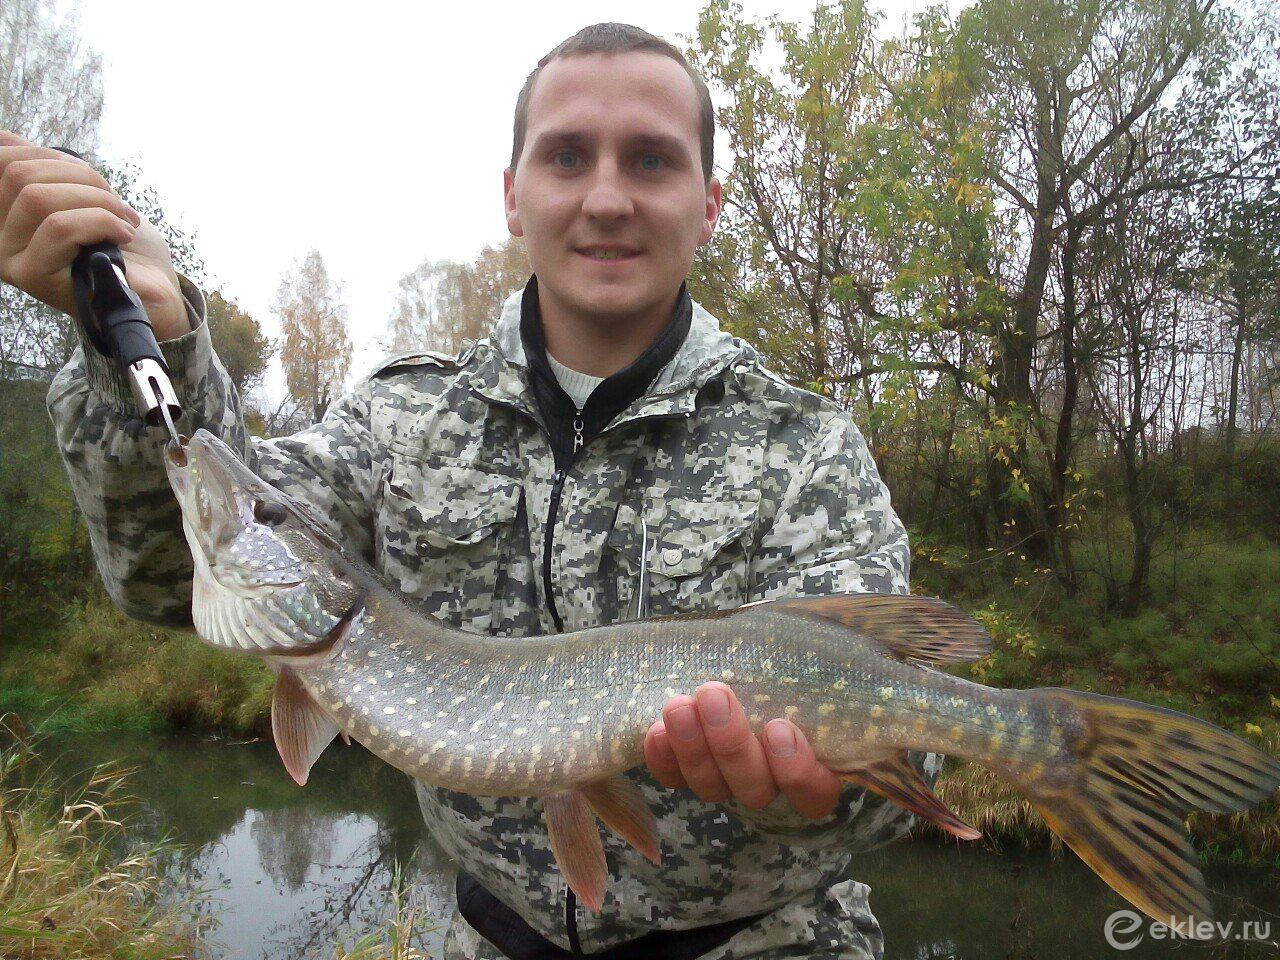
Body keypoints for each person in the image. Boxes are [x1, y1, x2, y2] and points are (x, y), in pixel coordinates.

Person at [0, 22, 937, 960]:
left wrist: (823, 794)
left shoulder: (806, 448)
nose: (606, 197)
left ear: (708, 205)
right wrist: (145, 347)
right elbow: (170, 575)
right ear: (513, 196)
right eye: (567, 156)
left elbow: (911, 763)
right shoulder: (400, 422)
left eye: (651, 161)